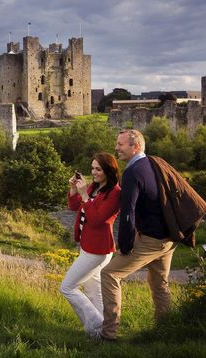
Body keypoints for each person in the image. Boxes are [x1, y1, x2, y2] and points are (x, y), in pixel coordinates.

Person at [100, 129, 176, 341]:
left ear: (136, 147)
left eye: (120, 144)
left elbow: (128, 213)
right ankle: (167, 330)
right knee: (159, 282)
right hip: (168, 237)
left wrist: (125, 245)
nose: (116, 148)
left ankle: (109, 334)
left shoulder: (133, 172)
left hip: (152, 239)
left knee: (110, 274)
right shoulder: (153, 163)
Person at [60, 152, 121, 339]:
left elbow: (96, 219)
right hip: (88, 246)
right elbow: (73, 206)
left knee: (67, 287)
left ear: (108, 171)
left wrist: (85, 195)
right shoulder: (95, 187)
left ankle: (96, 329)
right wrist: (74, 189)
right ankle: (104, 332)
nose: (94, 172)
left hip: (98, 249)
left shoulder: (115, 193)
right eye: (92, 168)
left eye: (98, 169)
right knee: (92, 290)